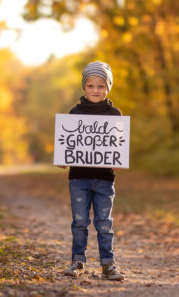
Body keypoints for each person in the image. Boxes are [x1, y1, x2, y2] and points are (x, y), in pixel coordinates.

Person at [57, 61, 124, 281]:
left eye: (101, 86)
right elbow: (69, 141)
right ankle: (77, 261)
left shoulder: (115, 114)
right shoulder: (74, 113)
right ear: (84, 87)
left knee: (105, 222)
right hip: (79, 178)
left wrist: (118, 159)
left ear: (108, 88)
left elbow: (117, 145)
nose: (96, 91)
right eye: (91, 86)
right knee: (79, 221)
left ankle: (108, 263)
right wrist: (63, 156)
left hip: (105, 179)